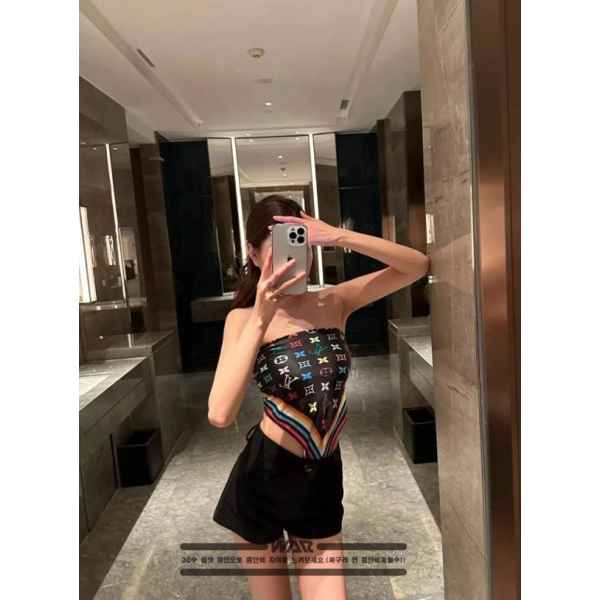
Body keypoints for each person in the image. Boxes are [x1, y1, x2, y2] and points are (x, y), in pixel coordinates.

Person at [208, 194, 429, 600]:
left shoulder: (333, 301)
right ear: (253, 255)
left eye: (302, 247)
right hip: (263, 477)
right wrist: (261, 316)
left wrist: (338, 235)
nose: (296, 262)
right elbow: (220, 413)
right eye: (281, 251)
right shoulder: (242, 320)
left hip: (323, 476)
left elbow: (416, 265)